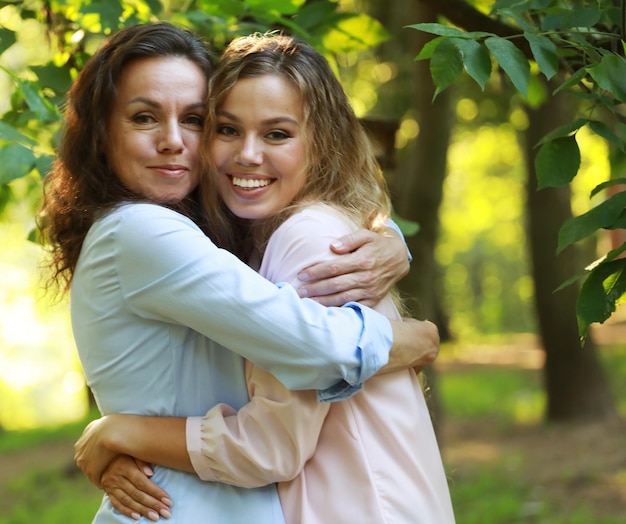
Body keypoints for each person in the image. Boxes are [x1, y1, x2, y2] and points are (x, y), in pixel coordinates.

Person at [38, 22, 437, 523]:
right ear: (101, 134)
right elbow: (317, 348)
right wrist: (416, 340)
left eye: (195, 120)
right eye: (144, 118)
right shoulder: (141, 232)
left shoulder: (212, 233)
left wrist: (391, 241)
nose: (171, 141)